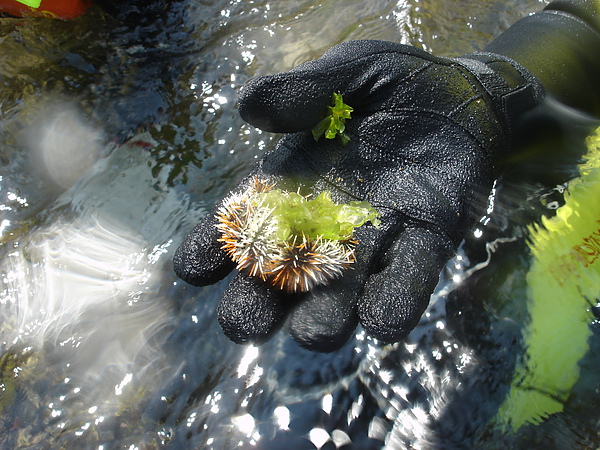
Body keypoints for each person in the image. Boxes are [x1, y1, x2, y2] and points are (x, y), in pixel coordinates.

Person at [174, 0, 600, 353]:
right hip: (555, 93)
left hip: (558, 120)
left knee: (517, 225)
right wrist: (489, 87)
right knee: (505, 221)